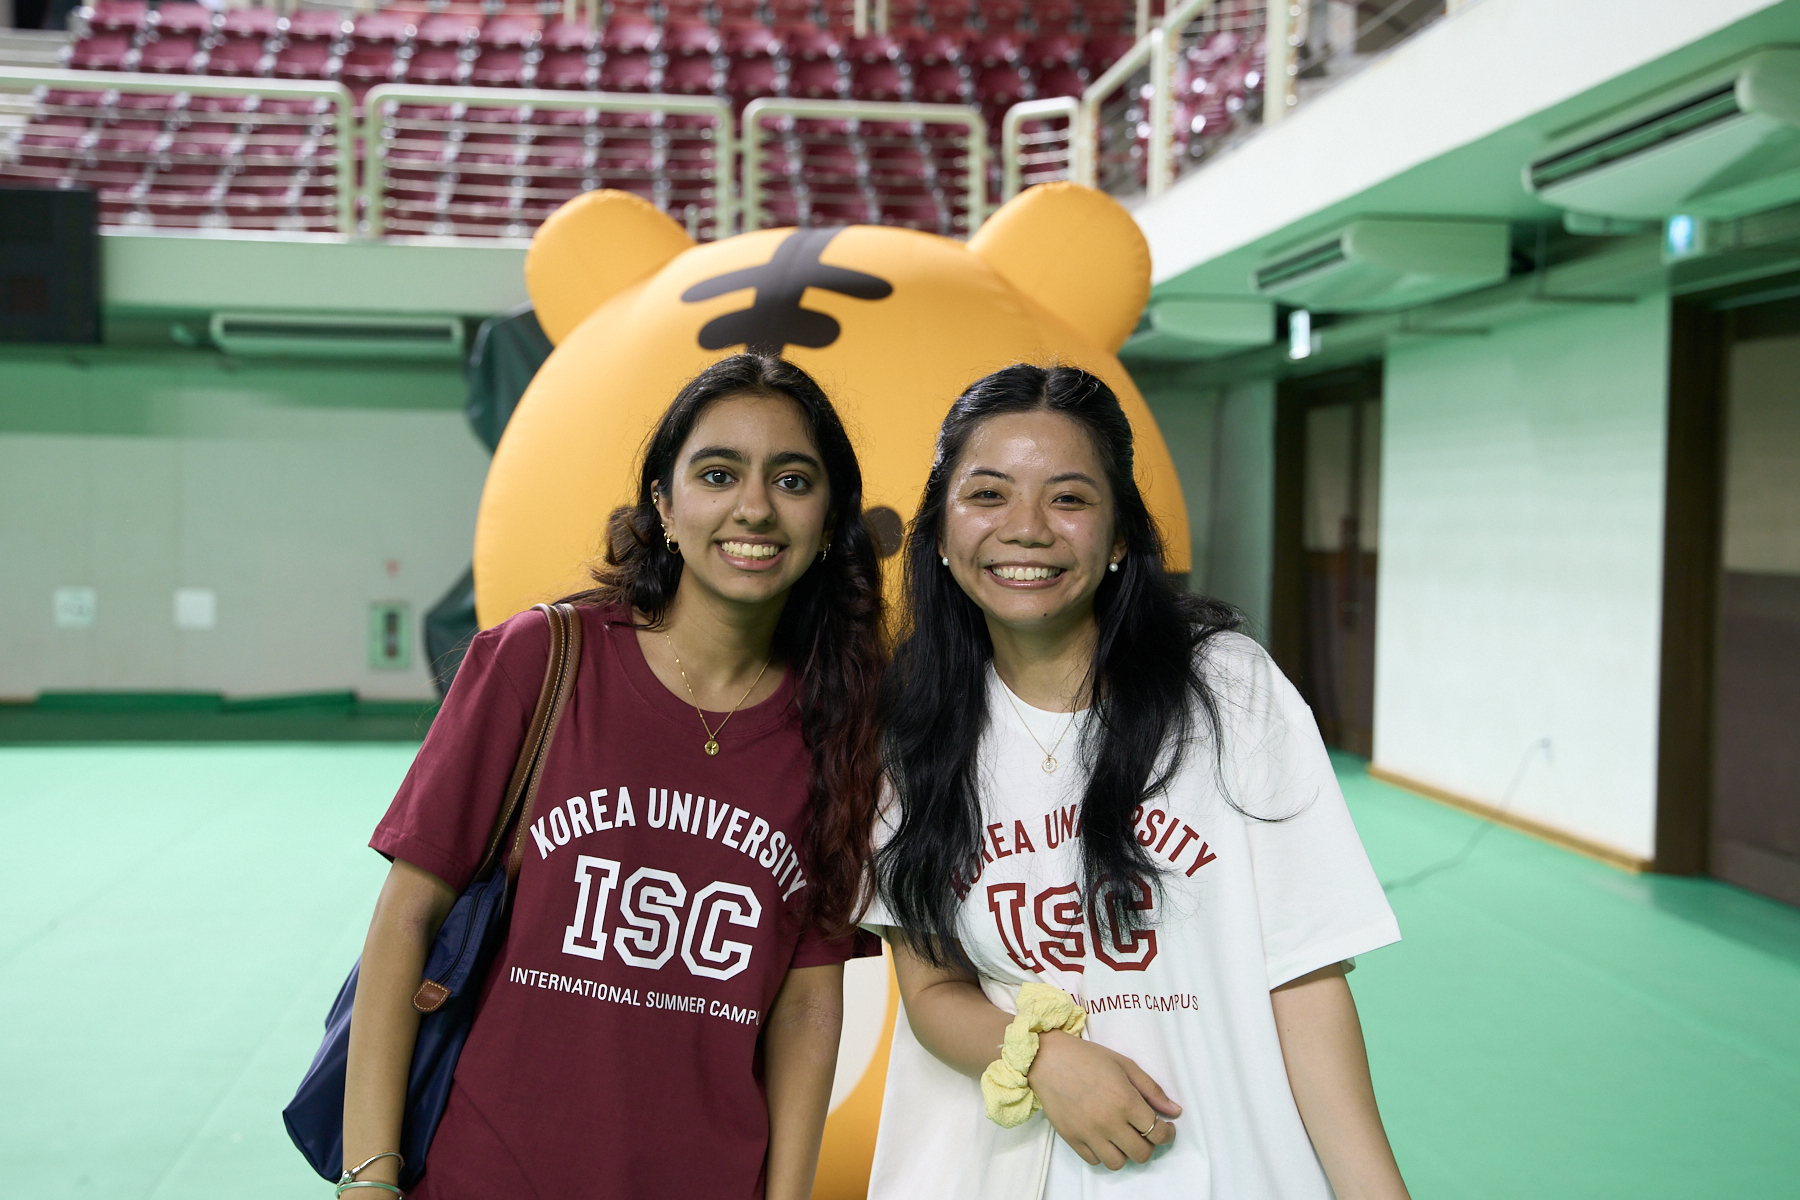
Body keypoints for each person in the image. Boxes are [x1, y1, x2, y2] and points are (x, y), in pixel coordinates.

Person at [343, 354, 887, 1199]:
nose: (754, 507)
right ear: (664, 505)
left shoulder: (842, 729)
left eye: (792, 480)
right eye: (718, 474)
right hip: (486, 1176)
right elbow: (407, 917)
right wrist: (369, 1179)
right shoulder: (540, 660)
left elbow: (809, 1006)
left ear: (828, 521)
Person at [863, 364, 1410, 1200]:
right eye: (988, 495)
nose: (1026, 529)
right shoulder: (910, 728)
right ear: (939, 529)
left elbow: (1304, 978)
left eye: (1069, 498)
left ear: (1120, 535)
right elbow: (932, 987)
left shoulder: (1227, 689)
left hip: (1230, 1171)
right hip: (1016, 1173)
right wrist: (1041, 1058)